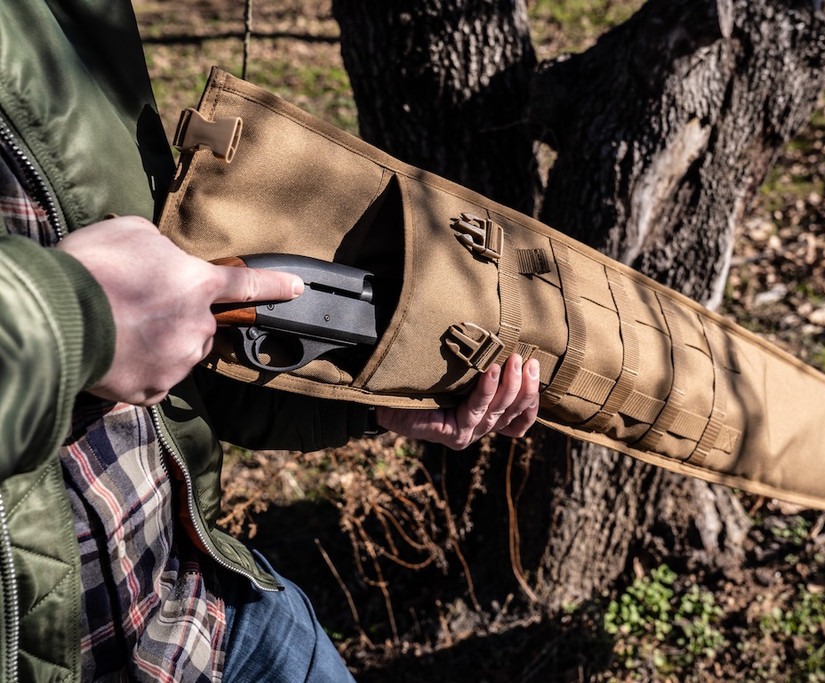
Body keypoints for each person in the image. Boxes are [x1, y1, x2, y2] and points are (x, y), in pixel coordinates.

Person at [0, 0, 540, 680]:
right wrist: (75, 319)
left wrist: (369, 398)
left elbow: (186, 365)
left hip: (218, 615)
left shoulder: (50, 17)